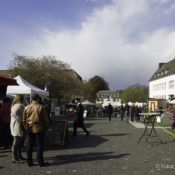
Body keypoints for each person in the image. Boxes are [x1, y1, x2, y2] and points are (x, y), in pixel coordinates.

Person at [23, 94, 49, 167]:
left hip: (29, 127)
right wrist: (46, 129)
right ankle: (40, 162)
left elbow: (24, 120)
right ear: (37, 99)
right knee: (39, 145)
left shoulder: (26, 107)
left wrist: (26, 127)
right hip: (39, 128)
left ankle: (29, 162)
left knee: (29, 145)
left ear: (32, 99)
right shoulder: (41, 107)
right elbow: (46, 120)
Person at [10, 94, 25, 163]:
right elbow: (25, 114)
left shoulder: (13, 105)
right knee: (16, 141)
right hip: (17, 124)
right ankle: (15, 158)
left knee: (17, 141)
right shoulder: (20, 105)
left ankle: (18, 156)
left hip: (13, 124)